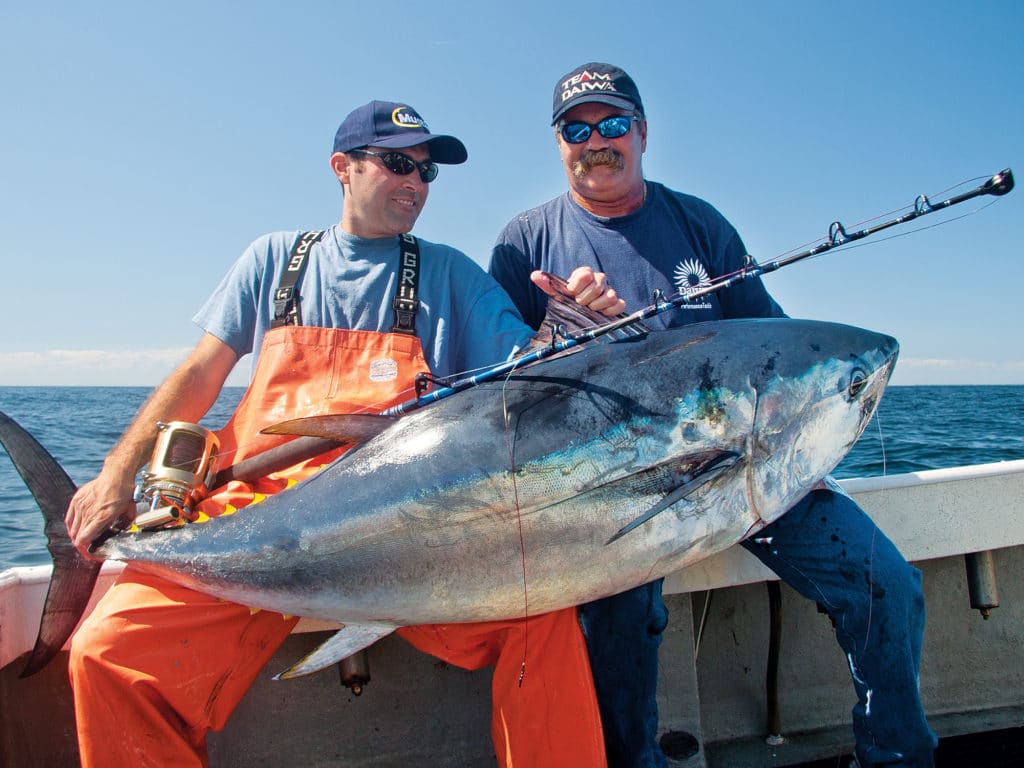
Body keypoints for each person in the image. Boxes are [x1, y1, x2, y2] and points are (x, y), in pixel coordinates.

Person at [64, 100, 616, 768]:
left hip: (407, 529)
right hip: (255, 513)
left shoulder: (449, 274)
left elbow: (531, 377)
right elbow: (200, 373)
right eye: (395, 163)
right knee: (105, 657)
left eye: (425, 172)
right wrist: (116, 475)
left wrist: (580, 326)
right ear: (341, 169)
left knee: (545, 621)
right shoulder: (274, 259)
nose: (414, 182)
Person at [489, 62, 938, 768]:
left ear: (641, 131)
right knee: (619, 614)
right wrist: (556, 334)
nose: (595, 141)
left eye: (612, 124)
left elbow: (779, 348)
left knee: (886, 582)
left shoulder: (699, 223)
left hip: (744, 467)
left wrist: (801, 460)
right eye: (577, 129)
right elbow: (497, 389)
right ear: (558, 142)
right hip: (612, 488)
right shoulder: (525, 241)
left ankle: (897, 755)